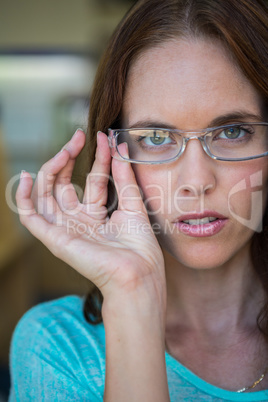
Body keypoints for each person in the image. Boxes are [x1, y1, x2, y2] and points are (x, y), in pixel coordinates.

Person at [9, 0, 268, 400]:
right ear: (111, 155)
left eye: (232, 132)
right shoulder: (56, 346)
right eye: (157, 139)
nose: (196, 182)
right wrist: (132, 297)